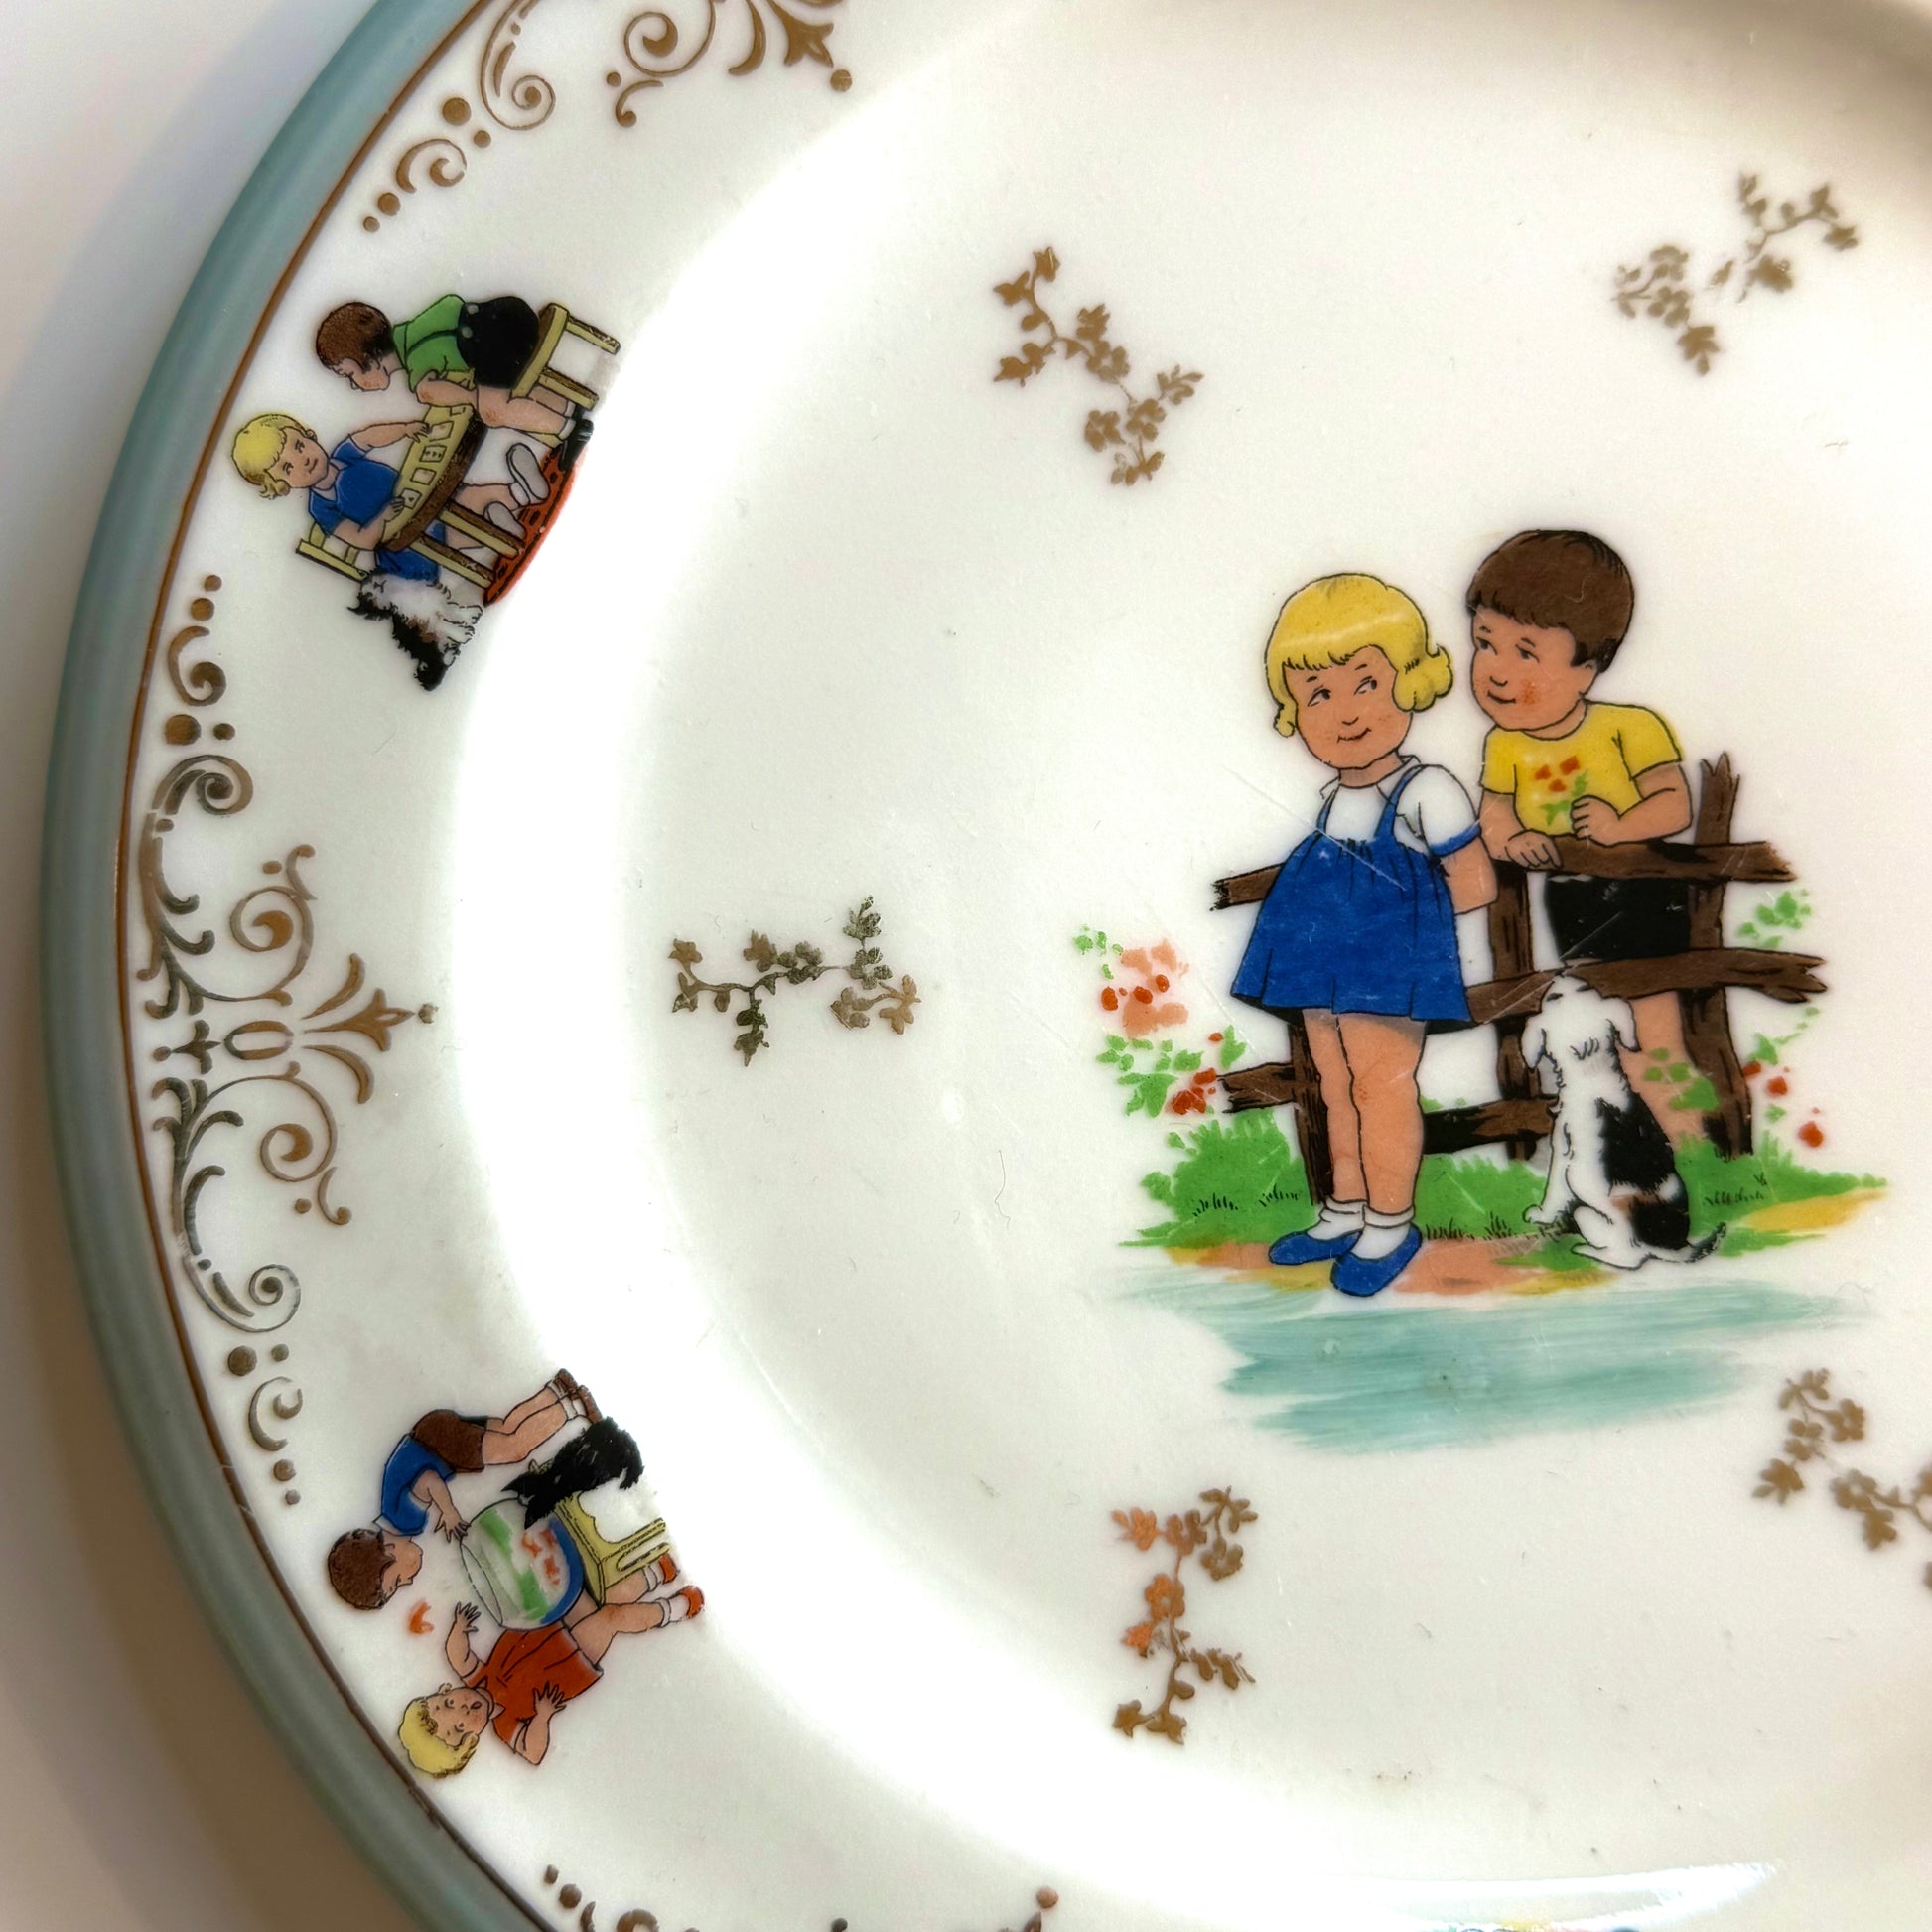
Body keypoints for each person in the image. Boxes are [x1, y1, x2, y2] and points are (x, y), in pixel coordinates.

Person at [1231, 574, 1496, 1296]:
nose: (1345, 712)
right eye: (1318, 693)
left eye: (1367, 683)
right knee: (1335, 1085)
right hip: (1321, 963)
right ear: (1294, 711)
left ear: (1409, 681)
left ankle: (1390, 1222)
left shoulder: (1427, 789)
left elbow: (1474, 882)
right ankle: (1345, 1210)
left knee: (1382, 1086)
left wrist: (1397, 925)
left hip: (1385, 967)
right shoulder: (1332, 798)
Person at [1466, 530, 1694, 1127]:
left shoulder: (1630, 726)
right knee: (1599, 1030)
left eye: (1525, 654)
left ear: (1586, 670)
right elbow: (1494, 816)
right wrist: (1512, 840)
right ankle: (1623, 1144)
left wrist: (1621, 827)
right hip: (1569, 901)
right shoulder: (1502, 744)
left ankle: (1682, 1136)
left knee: (1652, 1029)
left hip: (1641, 894)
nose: (1496, 671)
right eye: (1485, 643)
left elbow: (1675, 805)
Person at [395, 1422, 700, 1774]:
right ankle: (677, 1608)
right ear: (471, 1741)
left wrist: (460, 1627)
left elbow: (456, 1655)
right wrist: (541, 1717)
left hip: (547, 1627)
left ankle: (659, 1572)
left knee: (603, 1600)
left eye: (449, 1703)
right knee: (611, 1618)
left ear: (445, 1689)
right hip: (571, 1661)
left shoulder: (477, 1678)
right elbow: (532, 1753)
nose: (463, 1710)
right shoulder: (506, 1724)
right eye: (460, 1728)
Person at [325, 1372, 598, 1612]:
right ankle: (557, 1390)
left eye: (396, 1581)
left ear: (388, 1550)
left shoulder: (401, 1519)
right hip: (433, 1432)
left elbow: (428, 1480)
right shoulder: (394, 1517)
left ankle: (573, 1407)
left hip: (440, 1444)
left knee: (513, 1448)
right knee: (505, 1428)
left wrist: (449, 1511)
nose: (406, 1582)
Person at [228, 411, 543, 563]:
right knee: (447, 532)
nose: (302, 460)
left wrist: (404, 429)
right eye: (287, 467)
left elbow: (369, 436)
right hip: (404, 535)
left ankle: (523, 493)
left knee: (462, 496)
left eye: (299, 446)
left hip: (417, 494)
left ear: (309, 435)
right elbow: (360, 539)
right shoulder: (320, 507)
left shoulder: (343, 455)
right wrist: (383, 518)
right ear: (282, 485)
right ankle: (500, 531)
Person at [316, 296, 578, 456]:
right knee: (499, 391)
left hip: (495, 335)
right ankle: (568, 407)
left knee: (492, 412)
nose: (355, 386)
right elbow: (450, 303)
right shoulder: (413, 331)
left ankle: (569, 430)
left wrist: (472, 398)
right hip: (507, 312)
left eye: (349, 375)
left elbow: (427, 392)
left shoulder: (414, 355)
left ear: (370, 359)